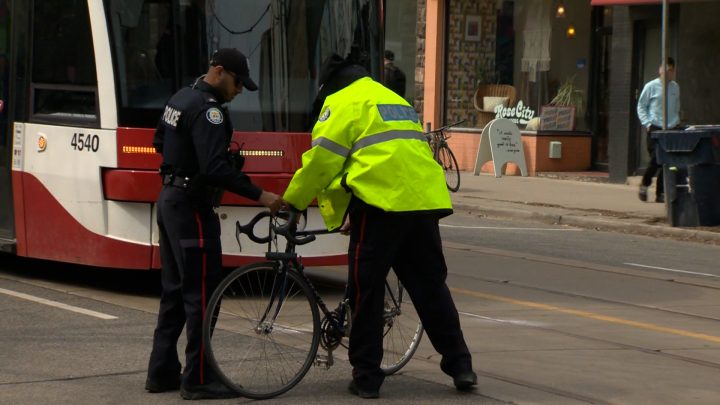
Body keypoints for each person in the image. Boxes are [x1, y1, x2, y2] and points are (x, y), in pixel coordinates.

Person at [282, 53, 477, 399]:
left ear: (328, 86)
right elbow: (380, 156)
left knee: (365, 291)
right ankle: (461, 365)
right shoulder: (393, 98)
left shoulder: (341, 102)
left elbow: (322, 163)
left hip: (382, 206)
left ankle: (367, 376)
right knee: (431, 287)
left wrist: (294, 202)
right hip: (423, 202)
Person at [146, 48, 283, 400]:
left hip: (169, 201)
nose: (239, 90)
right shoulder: (209, 112)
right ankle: (200, 379)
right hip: (192, 206)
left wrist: (183, 163)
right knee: (203, 296)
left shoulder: (180, 97)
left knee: (175, 292)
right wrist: (261, 195)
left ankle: (162, 372)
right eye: (238, 83)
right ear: (219, 72)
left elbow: (159, 140)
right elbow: (215, 169)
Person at [637, 57, 681, 203]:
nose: (668, 73)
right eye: (666, 70)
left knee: (667, 161)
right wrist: (647, 124)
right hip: (655, 128)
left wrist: (676, 121)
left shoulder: (675, 87)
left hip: (671, 128)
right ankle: (645, 184)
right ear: (660, 70)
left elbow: (676, 106)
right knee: (657, 158)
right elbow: (641, 106)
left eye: (671, 71)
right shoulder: (651, 86)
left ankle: (660, 193)